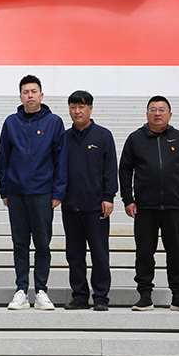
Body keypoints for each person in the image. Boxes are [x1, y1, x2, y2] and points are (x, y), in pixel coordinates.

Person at [120, 95, 179, 312]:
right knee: (144, 253)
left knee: (176, 252)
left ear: (170, 114)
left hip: (174, 206)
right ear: (146, 114)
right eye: (153, 109)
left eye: (162, 110)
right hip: (145, 207)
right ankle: (145, 296)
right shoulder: (135, 138)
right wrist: (128, 200)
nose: (157, 113)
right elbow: (125, 170)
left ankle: (178, 296)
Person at [0, 74, 67, 311]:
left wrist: (57, 192)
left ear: (41, 95)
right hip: (16, 193)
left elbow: (60, 160)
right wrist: (5, 189)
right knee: (20, 243)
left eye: (34, 91)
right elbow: (3, 159)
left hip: (43, 193)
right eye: (26, 92)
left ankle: (41, 291)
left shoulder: (54, 122)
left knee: (43, 244)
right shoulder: (11, 122)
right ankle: (21, 291)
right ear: (20, 96)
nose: (30, 96)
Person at [61, 90, 117, 312]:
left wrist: (108, 197)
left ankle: (101, 296)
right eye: (73, 107)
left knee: (100, 253)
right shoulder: (64, 137)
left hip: (96, 207)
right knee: (74, 254)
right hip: (70, 205)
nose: (77, 111)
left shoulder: (103, 136)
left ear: (90, 109)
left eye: (82, 107)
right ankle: (80, 296)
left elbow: (110, 169)